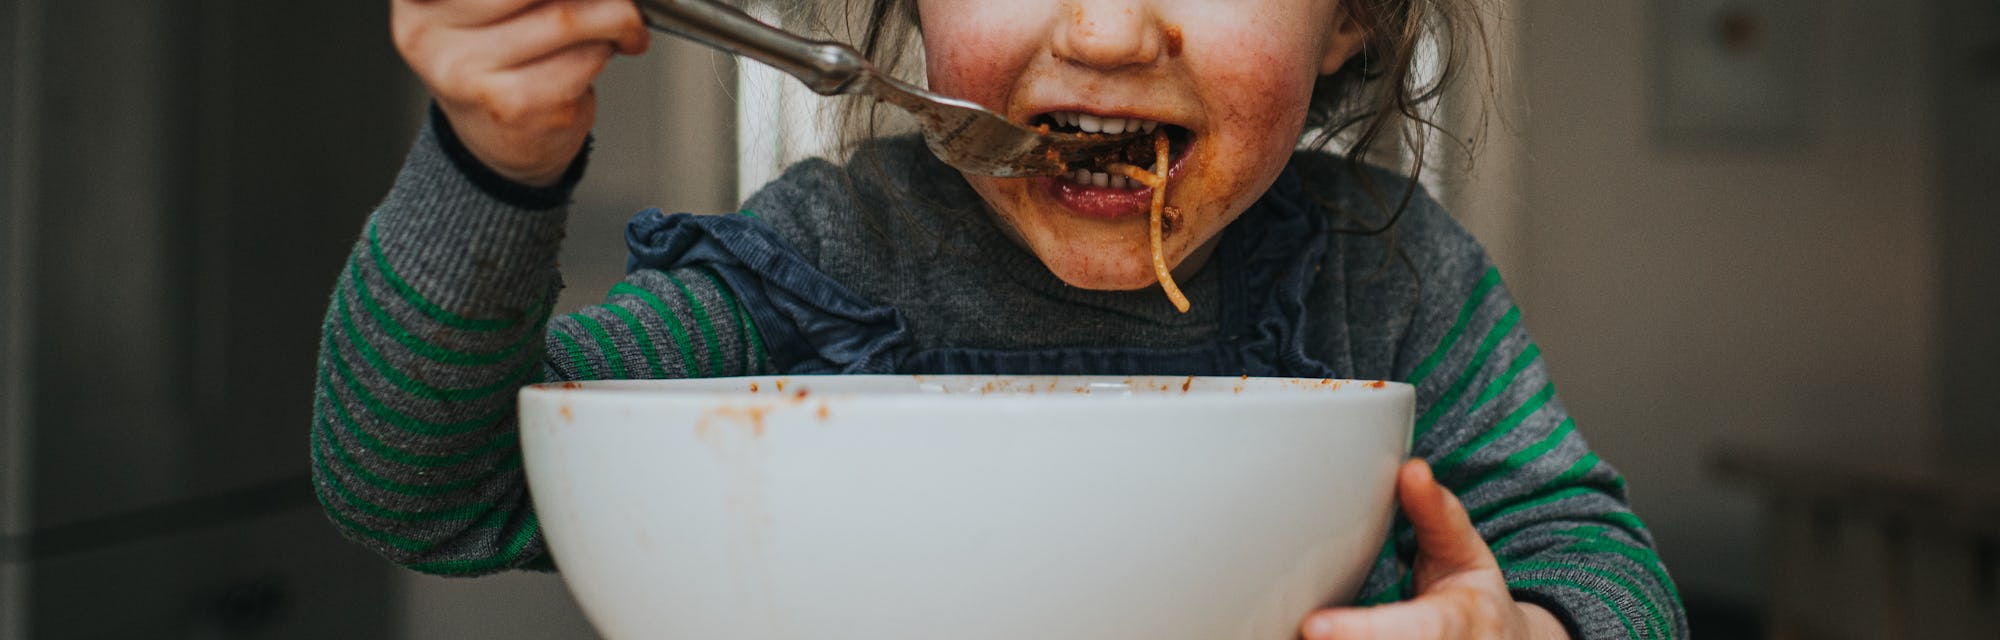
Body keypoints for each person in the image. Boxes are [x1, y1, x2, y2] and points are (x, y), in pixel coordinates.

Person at [312, 0, 1688, 637]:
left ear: (1355, 26)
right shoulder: (817, 268)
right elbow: (425, 489)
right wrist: (496, 162)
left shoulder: (1389, 281)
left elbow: (1609, 570)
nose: (1101, 32)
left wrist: (1529, 631)